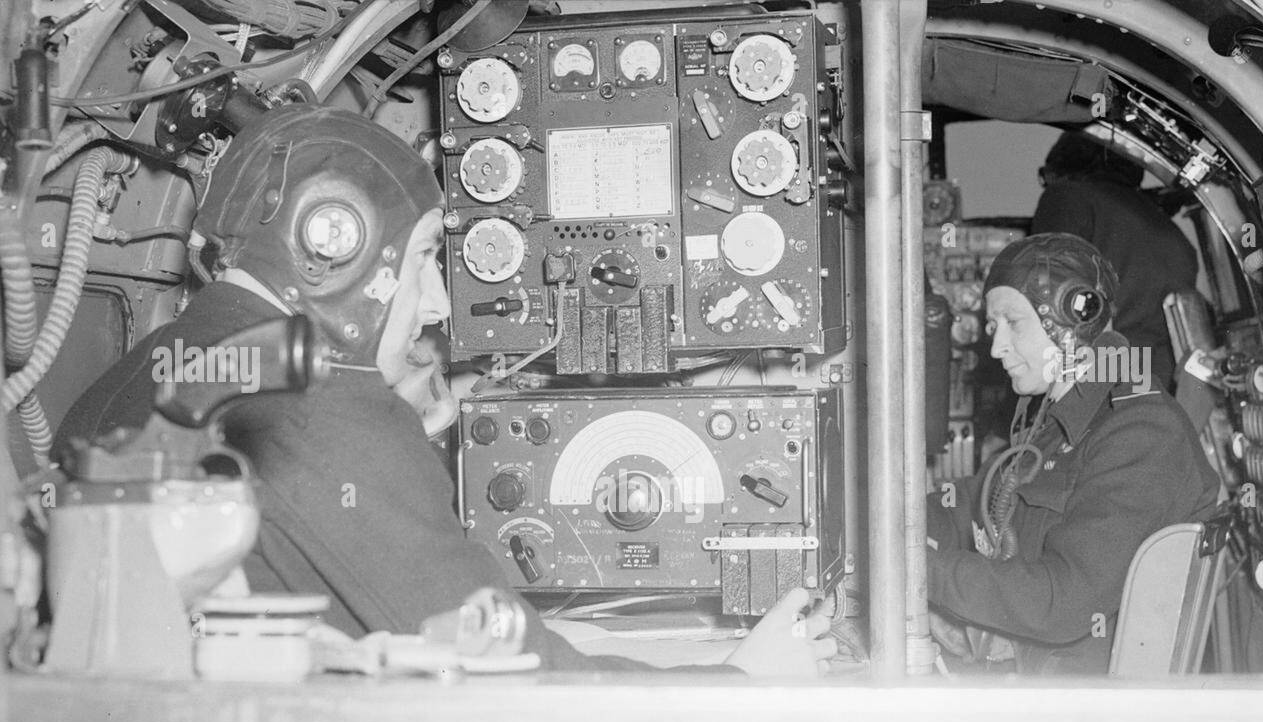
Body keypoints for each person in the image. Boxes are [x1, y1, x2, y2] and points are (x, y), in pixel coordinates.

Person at [55, 105, 833, 676]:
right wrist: (743, 683)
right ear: (340, 245)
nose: (436, 303)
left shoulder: (131, 377)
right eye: (426, 258)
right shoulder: (326, 404)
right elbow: (520, 692)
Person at [926, 233, 1221, 675]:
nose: (996, 347)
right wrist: (900, 529)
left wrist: (917, 576)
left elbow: (1059, 602)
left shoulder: (1142, 432)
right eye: (992, 326)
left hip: (1086, 717)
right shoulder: (1063, 417)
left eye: (1013, 323)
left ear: (1075, 315)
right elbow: (975, 501)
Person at [1032, 130, 1199, 393]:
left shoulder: (1066, 197)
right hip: (1160, 387)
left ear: (1062, 167)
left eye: (1046, 176)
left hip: (1100, 383)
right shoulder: (1161, 223)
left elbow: (1048, 303)